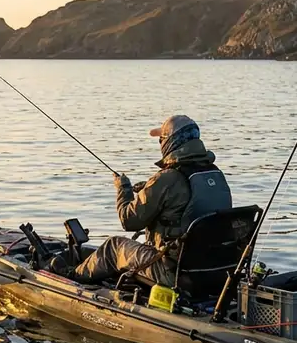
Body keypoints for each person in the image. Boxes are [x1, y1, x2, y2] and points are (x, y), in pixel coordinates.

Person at [51, 115, 232, 286]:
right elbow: (187, 203)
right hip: (213, 269)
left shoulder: (166, 178)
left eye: (161, 139)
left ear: (170, 143)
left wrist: (123, 189)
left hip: (172, 271)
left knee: (113, 247)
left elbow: (129, 221)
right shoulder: (214, 175)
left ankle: (72, 277)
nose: (160, 144)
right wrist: (148, 188)